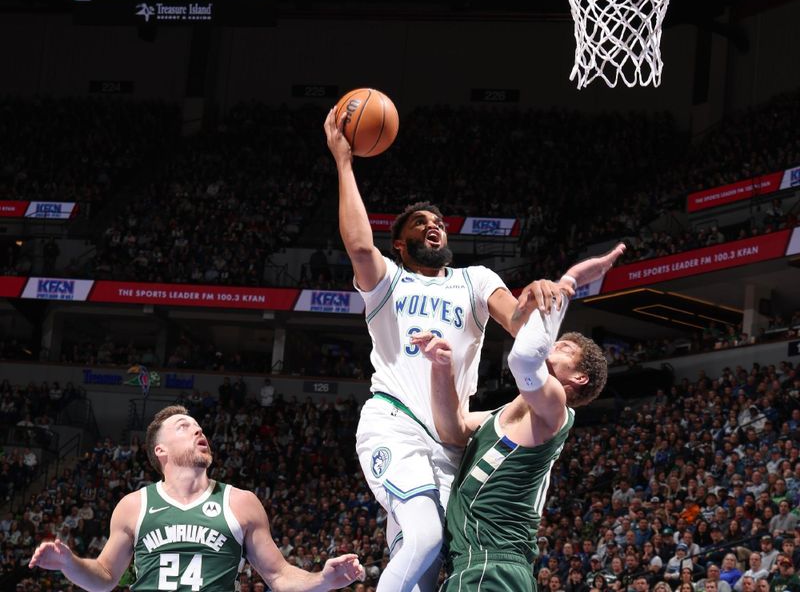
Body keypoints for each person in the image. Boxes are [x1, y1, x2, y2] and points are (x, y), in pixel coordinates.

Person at [324, 107, 624, 592]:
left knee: (428, 563)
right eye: (420, 224)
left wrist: (545, 294)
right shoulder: (387, 281)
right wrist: (344, 162)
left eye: (438, 221)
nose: (433, 225)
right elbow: (360, 247)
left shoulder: (476, 280)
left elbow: (519, 321)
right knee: (423, 539)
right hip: (395, 420)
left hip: (451, 439)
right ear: (399, 244)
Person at [412, 272, 610, 591]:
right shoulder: (502, 416)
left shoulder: (556, 408)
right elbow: (452, 429)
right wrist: (441, 367)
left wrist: (554, 301)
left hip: (490, 566)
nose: (552, 346)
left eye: (564, 348)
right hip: (483, 567)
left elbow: (524, 360)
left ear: (579, 379)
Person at [28, 405, 364, 591]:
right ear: (160, 450)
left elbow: (279, 576)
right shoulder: (134, 505)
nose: (198, 430)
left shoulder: (240, 502)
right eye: (184, 427)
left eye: (199, 427)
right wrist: (69, 564)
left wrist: (323, 579)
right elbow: (104, 576)